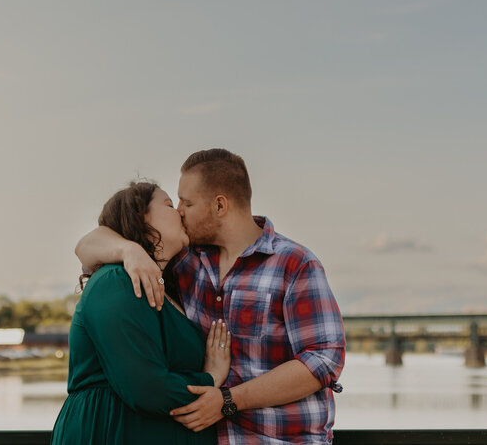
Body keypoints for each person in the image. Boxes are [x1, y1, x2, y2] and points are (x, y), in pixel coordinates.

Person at [76, 149, 346, 444]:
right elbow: (86, 246)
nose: (179, 210)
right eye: (174, 202)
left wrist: (229, 399)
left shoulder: (294, 264)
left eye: (187, 203)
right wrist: (129, 250)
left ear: (219, 205)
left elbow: (323, 359)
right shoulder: (185, 263)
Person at [51, 181, 232, 445]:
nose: (181, 212)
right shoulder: (116, 281)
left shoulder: (171, 285)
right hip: (111, 432)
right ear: (141, 218)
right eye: (170, 204)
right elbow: (147, 388)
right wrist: (212, 376)